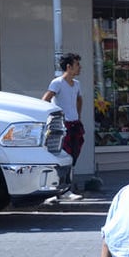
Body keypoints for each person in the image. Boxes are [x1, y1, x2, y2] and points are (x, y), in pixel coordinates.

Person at [42, 52, 84, 201]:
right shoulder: (57, 82)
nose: (80, 67)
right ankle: (60, 191)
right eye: (77, 64)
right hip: (62, 126)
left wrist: (78, 116)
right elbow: (45, 100)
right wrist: (51, 118)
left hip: (74, 124)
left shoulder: (77, 84)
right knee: (62, 157)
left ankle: (65, 189)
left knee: (73, 156)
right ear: (69, 67)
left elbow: (79, 99)